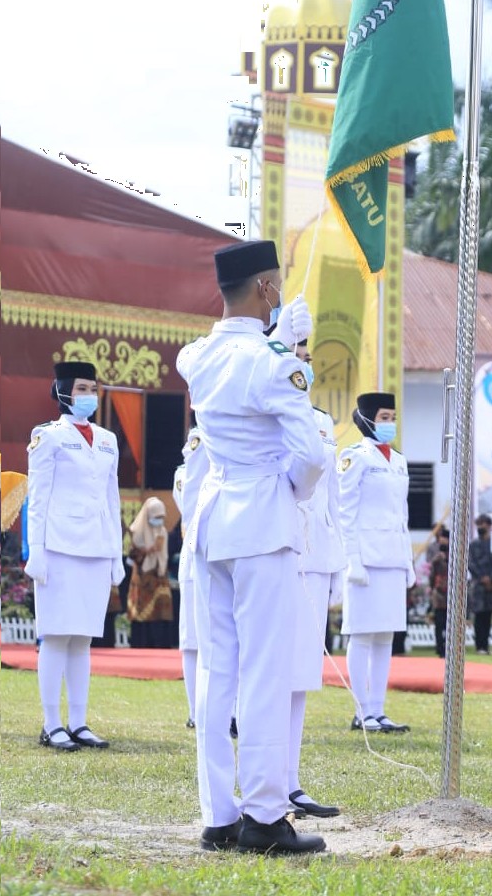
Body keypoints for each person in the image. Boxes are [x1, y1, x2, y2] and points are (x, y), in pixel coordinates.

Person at [176, 239, 327, 857]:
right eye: (277, 284)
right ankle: (265, 815)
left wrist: (283, 351)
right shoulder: (269, 364)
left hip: (213, 520)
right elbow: (313, 453)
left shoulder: (199, 356)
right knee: (264, 670)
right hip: (262, 519)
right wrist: (289, 488)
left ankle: (219, 814)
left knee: (217, 670)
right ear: (266, 290)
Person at [25, 361, 123, 752]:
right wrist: (37, 553)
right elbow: (38, 499)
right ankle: (52, 723)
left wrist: (116, 553)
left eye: (93, 388)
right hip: (59, 547)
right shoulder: (47, 437)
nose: (89, 395)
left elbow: (112, 500)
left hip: (96, 547)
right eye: (82, 388)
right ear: (64, 391)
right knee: (55, 635)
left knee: (83, 638)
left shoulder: (107, 439)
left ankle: (79, 722)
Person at [287, 340, 345, 819]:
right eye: (296, 353)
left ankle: (291, 780)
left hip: (318, 556)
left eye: (308, 356)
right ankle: (269, 780)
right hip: (281, 552)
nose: (306, 362)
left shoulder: (323, 421)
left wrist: (342, 565)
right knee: (275, 673)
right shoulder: (270, 413)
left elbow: (336, 502)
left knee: (303, 675)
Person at [338, 391, 413, 734]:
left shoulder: (398, 460)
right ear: (367, 419)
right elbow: (345, 510)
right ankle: (360, 710)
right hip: (366, 559)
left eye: (392, 417)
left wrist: (408, 561)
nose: (390, 424)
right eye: (384, 418)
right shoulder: (356, 458)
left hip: (393, 557)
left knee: (386, 637)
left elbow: (403, 515)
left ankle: (379, 710)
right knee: (362, 634)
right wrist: (352, 558)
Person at [172, 423, 210, 727]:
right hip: (197, 555)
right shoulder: (183, 475)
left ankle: (231, 711)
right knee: (192, 639)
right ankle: (195, 711)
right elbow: (190, 506)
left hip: (226, 556)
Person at [126, 496, 173, 648]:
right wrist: (149, 550)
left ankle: (160, 646)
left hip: (160, 575)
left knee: (161, 613)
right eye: (156, 517)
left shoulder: (163, 532)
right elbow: (132, 556)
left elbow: (166, 553)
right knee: (142, 614)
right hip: (142, 578)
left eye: (161, 517)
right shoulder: (136, 531)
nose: (159, 521)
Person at [468, 514, 492, 654]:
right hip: (478, 585)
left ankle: (486, 646)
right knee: (479, 616)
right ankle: (479, 647)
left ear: (489, 526)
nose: (480, 527)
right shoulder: (473, 545)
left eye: (483, 524)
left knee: (488, 616)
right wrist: (482, 578)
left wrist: (491, 579)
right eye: (478, 524)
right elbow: (470, 563)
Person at [429, 527, 450, 657]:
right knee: (439, 622)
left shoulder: (454, 553)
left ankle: (449, 647)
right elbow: (432, 573)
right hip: (439, 592)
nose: (442, 540)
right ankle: (439, 647)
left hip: (451, 593)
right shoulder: (436, 555)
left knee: (449, 623)